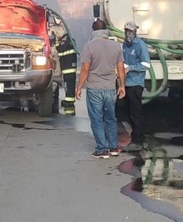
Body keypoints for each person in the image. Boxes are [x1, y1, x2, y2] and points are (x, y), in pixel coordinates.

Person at [76, 19, 125, 158]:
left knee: (96, 119)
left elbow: (85, 69)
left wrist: (79, 87)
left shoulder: (89, 46)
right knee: (111, 118)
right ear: (106, 30)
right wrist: (122, 86)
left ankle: (102, 150)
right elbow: (120, 67)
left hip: (94, 88)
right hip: (110, 88)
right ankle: (114, 147)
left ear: (93, 31)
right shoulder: (116, 46)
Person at [117, 21, 151, 151]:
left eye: (130, 31)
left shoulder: (140, 45)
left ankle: (138, 138)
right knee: (125, 110)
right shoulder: (124, 45)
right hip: (125, 82)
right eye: (126, 31)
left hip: (136, 83)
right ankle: (136, 135)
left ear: (135, 32)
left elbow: (146, 65)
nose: (128, 34)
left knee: (135, 112)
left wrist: (130, 68)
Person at [54, 27, 79, 115]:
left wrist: (56, 44)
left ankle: (69, 101)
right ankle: (69, 100)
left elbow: (60, 49)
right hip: (70, 68)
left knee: (69, 85)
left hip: (68, 68)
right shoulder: (70, 40)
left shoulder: (66, 42)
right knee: (69, 85)